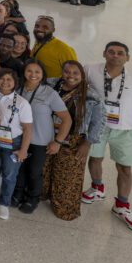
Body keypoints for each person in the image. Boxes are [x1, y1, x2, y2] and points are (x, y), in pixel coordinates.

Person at [82, 42, 132, 234]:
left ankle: (122, 205)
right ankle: (97, 188)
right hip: (98, 126)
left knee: (125, 168)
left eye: (120, 53)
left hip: (125, 131)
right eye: (111, 52)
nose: (115, 56)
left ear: (127, 58)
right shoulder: (90, 70)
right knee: (95, 158)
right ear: (104, 53)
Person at [44, 61, 104, 221]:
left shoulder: (91, 95)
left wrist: (87, 143)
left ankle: (65, 208)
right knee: (44, 169)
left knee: (68, 176)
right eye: (67, 72)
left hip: (74, 140)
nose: (71, 76)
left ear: (82, 75)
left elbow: (98, 122)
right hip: (48, 135)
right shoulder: (50, 84)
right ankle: (43, 196)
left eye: (75, 73)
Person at [12, 60, 71, 214]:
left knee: (34, 171)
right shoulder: (17, 90)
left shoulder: (49, 93)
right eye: (29, 71)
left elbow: (66, 119)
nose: (33, 75)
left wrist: (58, 141)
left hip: (40, 140)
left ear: (43, 74)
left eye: (37, 72)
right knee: (20, 168)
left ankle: (32, 198)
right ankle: (18, 193)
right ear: (24, 72)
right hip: (20, 138)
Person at [0, 68, 33, 220]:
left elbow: (28, 129)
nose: (5, 82)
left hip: (13, 142)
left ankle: (4, 203)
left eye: (9, 79)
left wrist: (24, 150)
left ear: (15, 83)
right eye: (2, 78)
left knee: (9, 174)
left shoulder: (22, 103)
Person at [31, 15, 77, 80]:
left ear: (53, 30)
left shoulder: (64, 49)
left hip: (52, 85)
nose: (39, 29)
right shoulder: (39, 41)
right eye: (37, 26)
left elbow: (74, 72)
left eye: (45, 27)